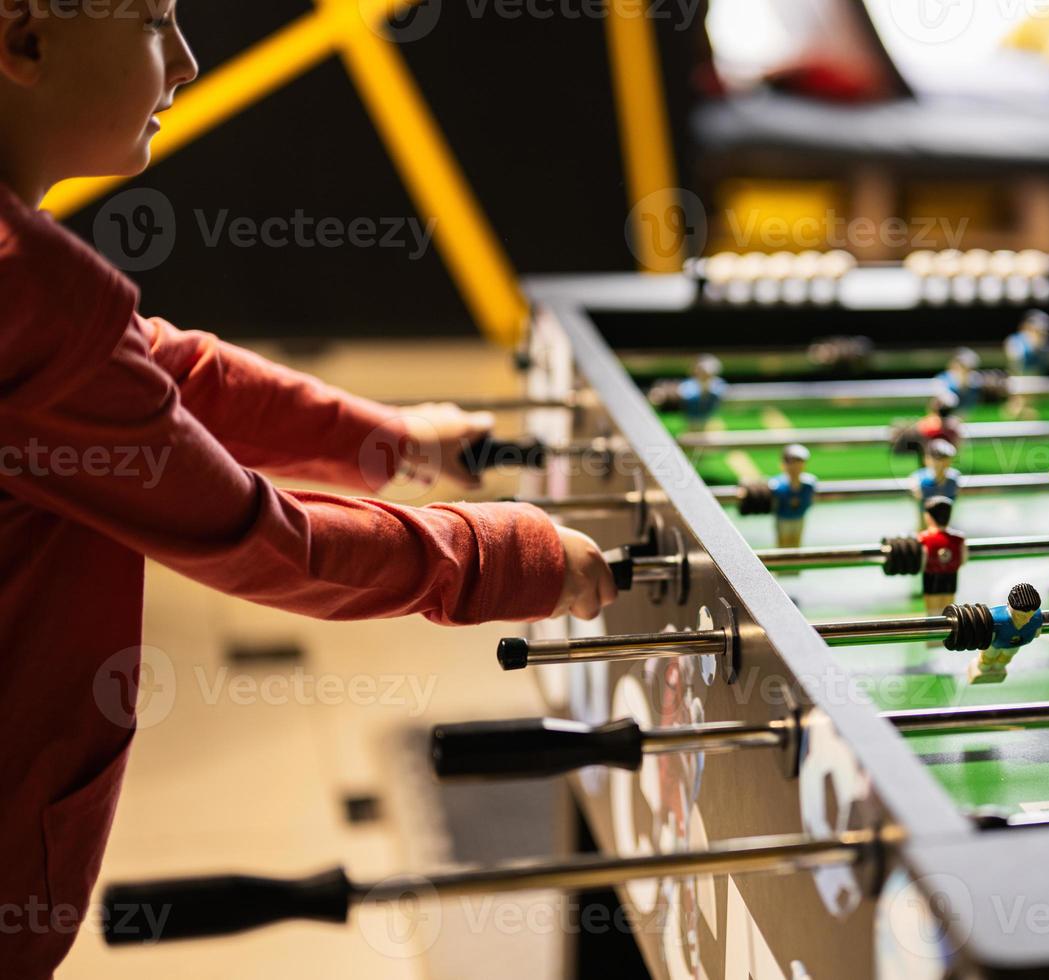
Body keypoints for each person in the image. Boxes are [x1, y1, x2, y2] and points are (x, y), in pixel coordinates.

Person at [0, 7, 615, 974]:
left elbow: (164, 372)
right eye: (158, 23)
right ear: (25, 41)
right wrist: (500, 556)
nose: (189, 62)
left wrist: (394, 442)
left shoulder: (29, 281)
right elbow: (259, 540)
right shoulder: (33, 302)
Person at [967, 583, 1044, 685]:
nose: (1026, 620)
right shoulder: (996, 619)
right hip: (995, 645)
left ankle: (999, 667)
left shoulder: (1036, 619)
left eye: (1030, 616)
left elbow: (1037, 632)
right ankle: (983, 668)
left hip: (1013, 645)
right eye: (1021, 616)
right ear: (1009, 606)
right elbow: (986, 634)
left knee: (1005, 659)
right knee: (987, 659)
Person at [918, 496, 965, 617]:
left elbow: (921, 561)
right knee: (949, 609)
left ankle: (934, 630)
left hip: (931, 577)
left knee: (932, 611)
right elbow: (963, 559)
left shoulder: (923, 538)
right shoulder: (958, 538)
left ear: (928, 517)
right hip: (951, 577)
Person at [770, 444, 818, 548]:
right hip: (783, 519)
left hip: (799, 518)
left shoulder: (809, 483)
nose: (795, 466)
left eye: (799, 462)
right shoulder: (776, 484)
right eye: (791, 462)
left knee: (796, 545)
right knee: (782, 546)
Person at [909, 439, 960, 530]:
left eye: (946, 458)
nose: (943, 462)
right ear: (928, 459)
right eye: (939, 458)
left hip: (944, 526)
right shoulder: (920, 479)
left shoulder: (954, 478)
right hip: (924, 527)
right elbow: (914, 484)